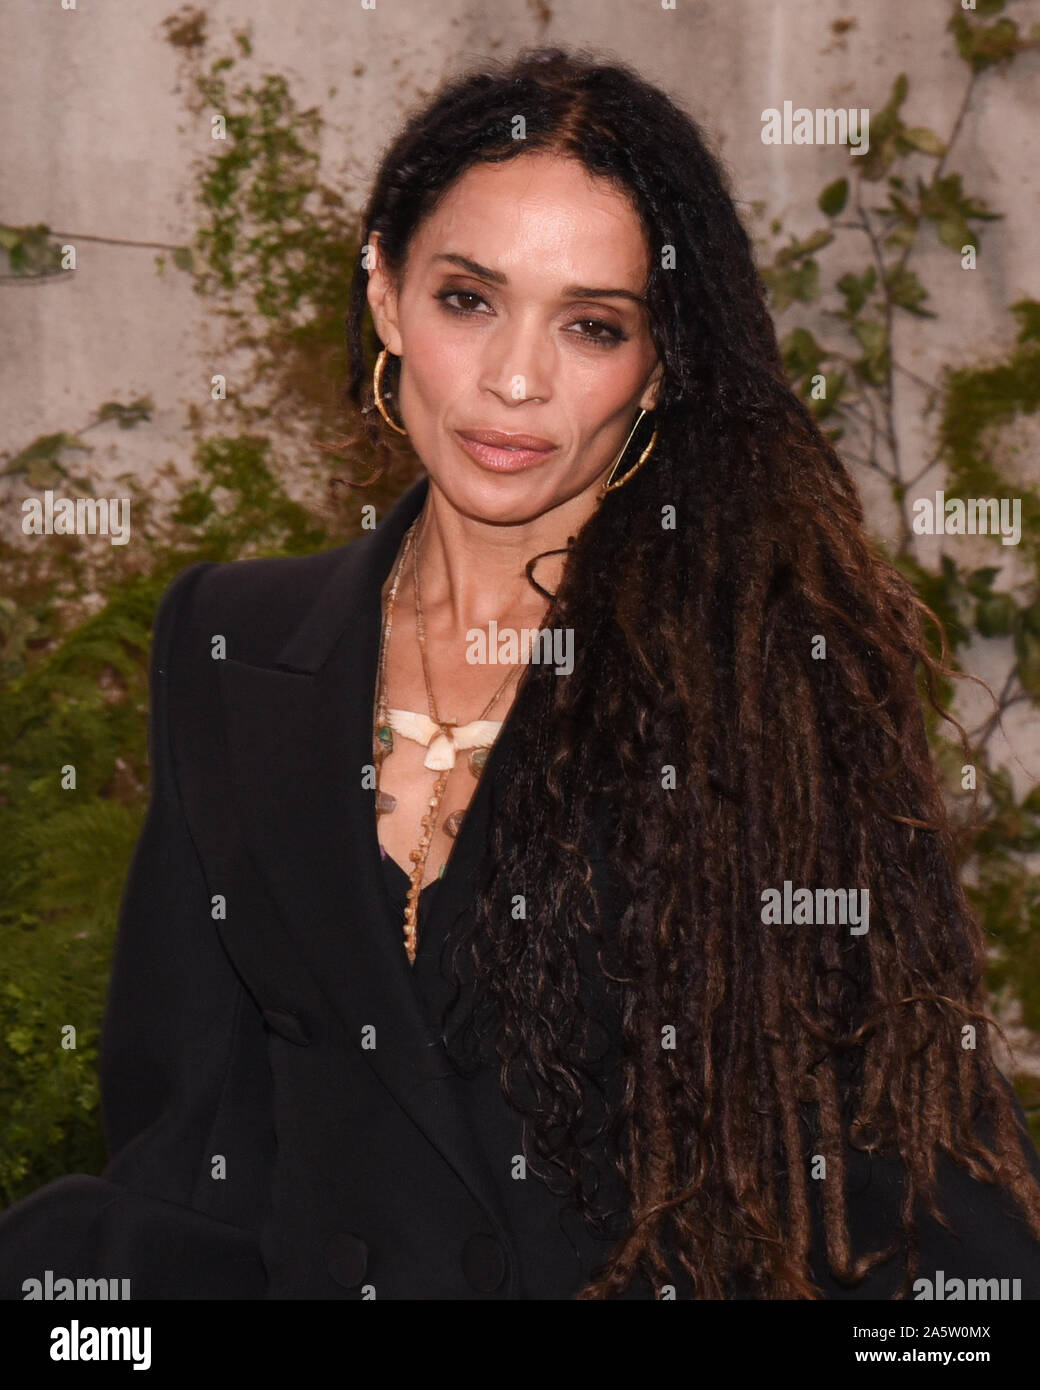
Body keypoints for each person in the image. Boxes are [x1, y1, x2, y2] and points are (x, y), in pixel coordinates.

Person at [1, 44, 1039, 1302]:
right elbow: (188, 1147)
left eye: (591, 324)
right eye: (468, 298)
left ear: (659, 360)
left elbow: (901, 1167)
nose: (514, 380)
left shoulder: (768, 684)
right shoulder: (226, 642)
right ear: (385, 290)